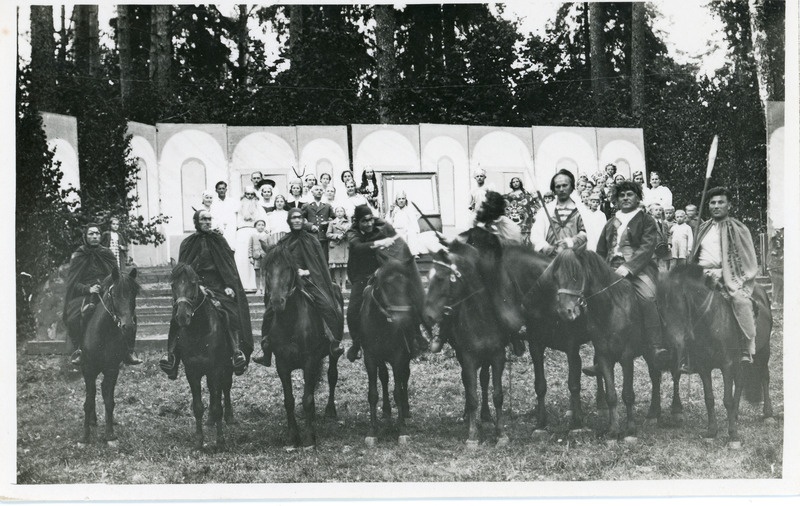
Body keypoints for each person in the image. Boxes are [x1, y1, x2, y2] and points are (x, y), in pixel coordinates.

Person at [589, 180, 670, 374]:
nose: (625, 198)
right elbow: (601, 249)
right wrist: (598, 270)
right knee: (593, 298)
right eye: (621, 195)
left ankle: (656, 346)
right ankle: (600, 356)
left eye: (629, 194)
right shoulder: (611, 222)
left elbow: (647, 247)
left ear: (637, 197)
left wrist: (628, 267)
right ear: (616, 199)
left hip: (639, 269)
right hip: (610, 268)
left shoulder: (646, 220)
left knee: (649, 297)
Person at [159, 210, 252, 378]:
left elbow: (228, 267)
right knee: (178, 315)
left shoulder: (219, 241)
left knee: (230, 312)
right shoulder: (188, 243)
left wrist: (229, 285)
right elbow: (182, 271)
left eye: (209, 219)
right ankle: (171, 357)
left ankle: (236, 352)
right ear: (196, 222)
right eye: (203, 219)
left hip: (218, 287)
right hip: (193, 287)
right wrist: (196, 286)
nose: (207, 222)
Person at [253, 208, 345, 366]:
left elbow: (320, 265)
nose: (296, 220)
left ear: (303, 220)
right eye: (293, 218)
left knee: (327, 305)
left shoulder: (312, 241)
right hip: (289, 284)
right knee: (270, 310)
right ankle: (266, 349)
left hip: (310, 281)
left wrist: (307, 271)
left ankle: (333, 341)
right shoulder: (283, 242)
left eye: (299, 217)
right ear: (289, 221)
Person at [344, 205, 428, 362]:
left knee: (406, 296)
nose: (369, 224)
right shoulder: (352, 233)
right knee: (353, 310)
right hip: (361, 276)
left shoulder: (382, 227)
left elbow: (399, 246)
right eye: (364, 221)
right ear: (357, 222)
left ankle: (417, 334)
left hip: (383, 271)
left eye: (370, 220)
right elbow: (358, 247)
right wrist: (380, 243)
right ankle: (356, 344)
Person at [689, 187, 759, 365]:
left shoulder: (739, 229)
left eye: (721, 202)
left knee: (740, 301)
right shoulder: (702, 228)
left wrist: (722, 272)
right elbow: (694, 255)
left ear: (729, 205)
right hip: (701, 274)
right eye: (712, 202)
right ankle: (684, 352)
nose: (716, 206)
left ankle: (744, 345)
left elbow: (746, 258)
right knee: (681, 299)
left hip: (728, 274)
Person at [64, 224, 141, 367]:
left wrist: (108, 287)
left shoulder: (107, 254)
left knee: (130, 316)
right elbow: (73, 283)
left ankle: (128, 351)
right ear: (85, 236)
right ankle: (79, 350)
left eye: (97, 234)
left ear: (101, 236)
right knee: (73, 317)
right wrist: (88, 289)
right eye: (91, 234)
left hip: (107, 292)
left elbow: (116, 276)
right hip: (86, 294)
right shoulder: (79, 255)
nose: (94, 236)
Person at [530, 169, 588, 256]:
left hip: (574, 258)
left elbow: (585, 233)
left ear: (572, 187)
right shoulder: (545, 211)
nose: (561, 189)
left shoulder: (581, 210)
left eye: (565, 185)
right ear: (553, 189)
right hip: (550, 259)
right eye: (558, 186)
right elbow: (536, 234)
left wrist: (569, 243)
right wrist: (546, 248)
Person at [235, 186, 268, 291]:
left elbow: (264, 222)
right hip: (241, 234)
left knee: (256, 260)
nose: (249, 197)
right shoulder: (238, 207)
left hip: (255, 233)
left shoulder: (259, 207)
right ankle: (243, 285)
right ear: (244, 195)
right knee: (242, 259)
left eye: (251, 194)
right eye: (247, 194)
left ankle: (256, 286)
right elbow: (234, 223)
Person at [302, 185, 336, 262]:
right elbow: (300, 220)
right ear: (312, 192)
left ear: (323, 192)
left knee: (324, 259)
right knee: (312, 259)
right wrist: (310, 226)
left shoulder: (327, 206)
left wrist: (327, 223)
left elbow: (334, 220)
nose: (319, 191)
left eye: (321, 190)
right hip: (311, 236)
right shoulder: (307, 206)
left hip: (323, 236)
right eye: (316, 190)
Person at [504, 177, 538, 245]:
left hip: (524, 217)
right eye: (513, 182)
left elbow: (532, 204)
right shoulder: (509, 195)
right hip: (513, 217)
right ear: (511, 184)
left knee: (524, 236)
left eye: (517, 181)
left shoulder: (525, 193)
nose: (515, 183)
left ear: (520, 182)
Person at [387, 191, 421, 255]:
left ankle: (413, 253)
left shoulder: (409, 210)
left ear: (406, 200)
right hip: (396, 231)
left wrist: (415, 232)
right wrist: (390, 212)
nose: (401, 201)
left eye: (403, 198)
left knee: (412, 233)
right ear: (396, 201)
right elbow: (388, 222)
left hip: (407, 231)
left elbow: (414, 223)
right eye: (399, 199)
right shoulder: (393, 210)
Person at [327, 206, 350, 290]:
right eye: (337, 211)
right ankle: (338, 286)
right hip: (335, 246)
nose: (339, 213)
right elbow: (328, 234)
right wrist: (337, 236)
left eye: (341, 211)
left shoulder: (348, 223)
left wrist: (345, 235)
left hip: (344, 246)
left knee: (344, 267)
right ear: (335, 213)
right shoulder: (332, 223)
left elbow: (351, 234)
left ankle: (343, 286)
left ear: (344, 213)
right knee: (336, 267)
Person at [211, 181, 237, 249]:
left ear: (226, 190)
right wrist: (216, 228)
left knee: (231, 247)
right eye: (219, 189)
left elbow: (236, 215)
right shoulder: (213, 203)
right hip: (219, 229)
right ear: (216, 190)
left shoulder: (232, 201)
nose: (221, 190)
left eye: (223, 188)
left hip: (231, 228)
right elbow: (212, 217)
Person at [249, 219, 268, 296]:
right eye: (259, 225)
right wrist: (250, 257)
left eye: (262, 225)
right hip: (256, 257)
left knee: (264, 273)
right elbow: (250, 246)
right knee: (257, 274)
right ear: (255, 226)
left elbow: (270, 247)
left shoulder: (267, 236)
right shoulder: (253, 236)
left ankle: (264, 289)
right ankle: (258, 289)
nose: (261, 226)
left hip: (265, 257)